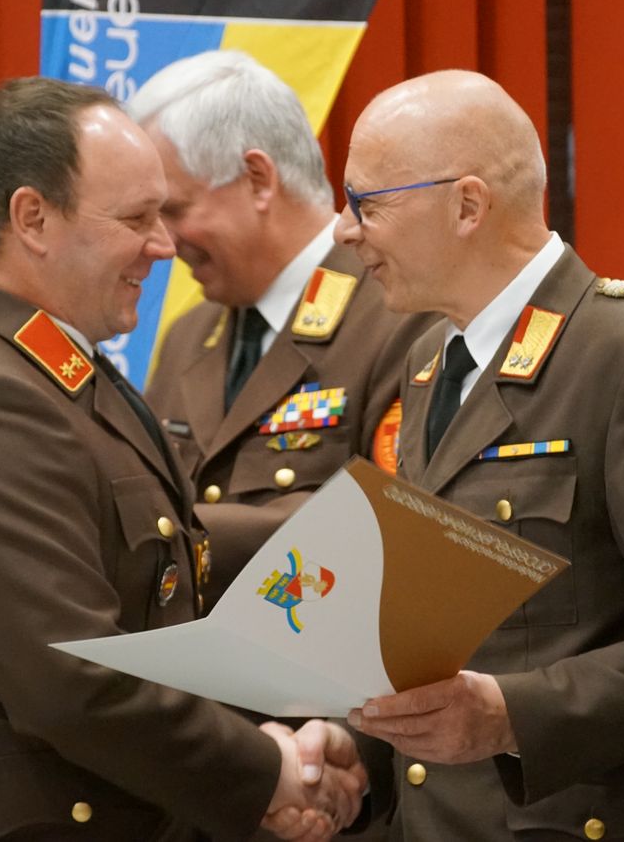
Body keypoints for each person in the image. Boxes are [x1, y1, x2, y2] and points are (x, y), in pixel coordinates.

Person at [333, 70, 624, 841]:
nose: (343, 230)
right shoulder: (431, 362)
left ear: (467, 204)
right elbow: (434, 632)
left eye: (370, 203)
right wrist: (354, 741)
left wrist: (511, 718)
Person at [0, 76, 365, 842]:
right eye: (137, 218)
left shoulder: (55, 369)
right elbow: (70, 682)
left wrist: (361, 532)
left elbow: (167, 543)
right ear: (32, 218)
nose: (164, 245)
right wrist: (264, 769)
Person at [128, 50, 436, 615]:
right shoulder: (187, 337)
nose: (163, 243)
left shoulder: (402, 317)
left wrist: (162, 536)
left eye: (174, 209)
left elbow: (396, 529)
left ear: (258, 179)